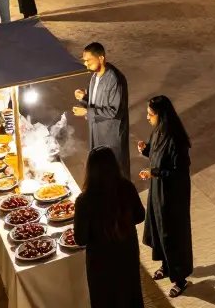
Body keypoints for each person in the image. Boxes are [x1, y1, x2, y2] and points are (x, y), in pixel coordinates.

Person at [74, 145, 147, 308]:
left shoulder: (84, 201)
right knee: (130, 295)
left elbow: (80, 239)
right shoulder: (127, 187)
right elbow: (140, 215)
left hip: (101, 263)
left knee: (105, 300)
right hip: (127, 254)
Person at [137, 95, 194, 298]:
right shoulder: (159, 131)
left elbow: (179, 173)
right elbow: (156, 154)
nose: (147, 117)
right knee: (158, 229)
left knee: (172, 234)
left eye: (150, 114)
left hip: (172, 195)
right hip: (158, 190)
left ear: (161, 116)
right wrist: (146, 151)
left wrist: (155, 173)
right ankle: (166, 266)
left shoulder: (177, 139)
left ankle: (180, 279)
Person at [74, 43, 131, 178]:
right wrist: (84, 98)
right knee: (100, 171)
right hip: (96, 132)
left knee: (115, 173)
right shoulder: (94, 77)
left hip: (111, 136)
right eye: (84, 61)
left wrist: (87, 112)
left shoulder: (115, 80)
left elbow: (114, 111)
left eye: (88, 60)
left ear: (101, 58)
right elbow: (96, 103)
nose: (86, 65)